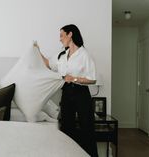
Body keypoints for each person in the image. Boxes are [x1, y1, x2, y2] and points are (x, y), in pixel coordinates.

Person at [34, 24, 98, 157]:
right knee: (67, 128)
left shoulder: (84, 54)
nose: (60, 39)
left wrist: (74, 79)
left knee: (87, 128)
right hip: (67, 93)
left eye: (61, 35)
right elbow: (48, 64)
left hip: (81, 93)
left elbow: (92, 79)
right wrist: (38, 50)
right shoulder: (61, 55)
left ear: (70, 34)